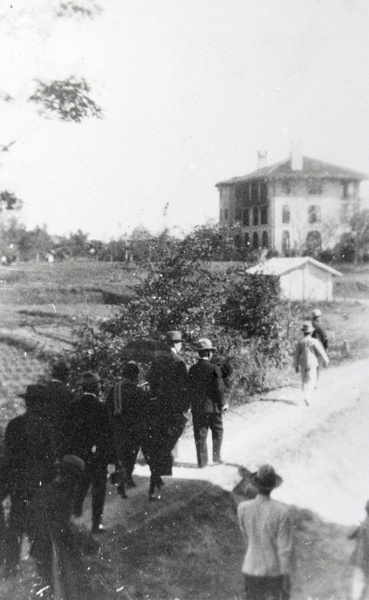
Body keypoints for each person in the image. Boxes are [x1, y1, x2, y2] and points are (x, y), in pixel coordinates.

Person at [1, 384, 57, 575]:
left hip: (18, 485)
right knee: (39, 527)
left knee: (16, 525)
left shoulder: (14, 425)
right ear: (40, 404)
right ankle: (43, 568)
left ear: (27, 403)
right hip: (38, 486)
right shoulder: (46, 427)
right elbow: (50, 462)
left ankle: (10, 566)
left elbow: (7, 459)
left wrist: (6, 485)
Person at [27, 455, 100, 600]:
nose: (77, 484)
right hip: (51, 549)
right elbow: (59, 528)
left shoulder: (52, 491)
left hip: (47, 547)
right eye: (76, 479)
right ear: (70, 476)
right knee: (62, 587)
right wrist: (82, 539)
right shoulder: (59, 495)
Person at [237, 464, 294, 600]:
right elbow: (285, 548)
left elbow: (247, 536)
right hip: (273, 570)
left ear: (256, 485)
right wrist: (286, 577)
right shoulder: (281, 512)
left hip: (251, 567)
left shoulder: (243, 508)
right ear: (273, 487)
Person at [67, 371, 112, 533]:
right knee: (98, 489)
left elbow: (69, 433)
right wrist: (109, 456)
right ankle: (96, 523)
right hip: (97, 455)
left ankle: (74, 515)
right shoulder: (101, 407)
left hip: (78, 455)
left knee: (80, 485)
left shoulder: (73, 406)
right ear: (96, 387)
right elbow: (107, 434)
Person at [106, 361, 147, 497]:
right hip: (134, 429)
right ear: (135, 376)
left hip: (117, 428)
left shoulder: (115, 389)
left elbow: (108, 408)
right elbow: (143, 411)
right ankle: (126, 478)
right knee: (131, 455)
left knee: (120, 454)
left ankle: (121, 477)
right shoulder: (138, 391)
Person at [148, 330, 189, 456]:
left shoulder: (157, 359)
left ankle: (164, 453)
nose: (181, 345)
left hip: (159, 399)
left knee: (163, 426)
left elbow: (150, 379)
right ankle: (171, 453)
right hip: (175, 400)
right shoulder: (179, 361)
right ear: (176, 344)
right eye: (180, 343)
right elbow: (184, 383)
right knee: (175, 426)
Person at [188, 338, 228, 468]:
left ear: (199, 353)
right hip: (214, 408)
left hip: (198, 408)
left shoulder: (193, 369)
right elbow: (219, 388)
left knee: (200, 434)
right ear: (209, 353)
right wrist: (223, 403)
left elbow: (190, 389)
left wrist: (190, 404)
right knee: (217, 431)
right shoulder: (215, 368)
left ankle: (202, 462)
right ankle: (216, 458)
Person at [44, 359, 74, 458]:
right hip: (61, 437)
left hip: (43, 435)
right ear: (64, 376)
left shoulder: (43, 389)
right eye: (68, 375)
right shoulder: (68, 393)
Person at [294, 321, 329, 406]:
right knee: (312, 381)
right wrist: (326, 360)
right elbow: (321, 351)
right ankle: (307, 396)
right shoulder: (314, 341)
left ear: (303, 332)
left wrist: (296, 365)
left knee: (304, 381)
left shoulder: (300, 341)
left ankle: (305, 396)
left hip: (303, 363)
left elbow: (297, 354)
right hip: (312, 363)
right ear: (312, 331)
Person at [349, 500, 369, 600]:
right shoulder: (365, 522)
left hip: (359, 559)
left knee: (359, 584)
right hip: (364, 559)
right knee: (361, 585)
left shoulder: (365, 521)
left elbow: (351, 535)